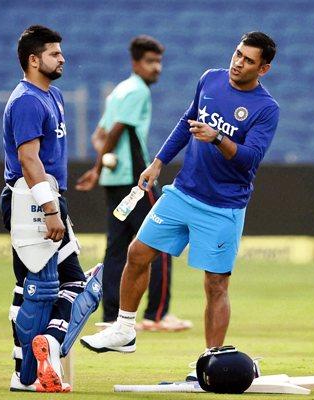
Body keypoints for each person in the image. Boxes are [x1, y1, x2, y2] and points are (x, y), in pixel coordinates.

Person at [81, 32, 279, 375]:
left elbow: (249, 159)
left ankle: (210, 362)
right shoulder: (210, 79)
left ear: (263, 68)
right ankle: (125, 330)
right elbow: (185, 123)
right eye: (237, 54)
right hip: (183, 192)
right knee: (137, 253)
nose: (238, 63)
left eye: (248, 60)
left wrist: (218, 137)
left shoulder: (267, 109)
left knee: (216, 284)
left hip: (223, 205)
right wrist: (158, 161)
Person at [0, 25, 102, 393]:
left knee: (30, 286)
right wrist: (50, 209)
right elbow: (29, 160)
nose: (62, 58)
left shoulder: (53, 95)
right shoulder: (27, 100)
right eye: (54, 54)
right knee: (71, 284)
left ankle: (25, 373)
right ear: (33, 59)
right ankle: (48, 348)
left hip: (46, 197)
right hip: (32, 199)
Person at [75, 35, 191, 332]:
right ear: (136, 63)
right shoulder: (138, 91)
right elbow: (115, 131)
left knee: (116, 248)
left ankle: (110, 316)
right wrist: (100, 167)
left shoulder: (118, 91)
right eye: (151, 62)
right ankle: (157, 314)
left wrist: (99, 166)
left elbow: (98, 135)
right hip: (134, 180)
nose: (157, 68)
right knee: (161, 240)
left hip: (116, 180)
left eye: (159, 62)